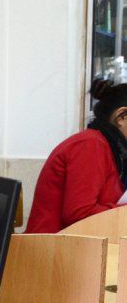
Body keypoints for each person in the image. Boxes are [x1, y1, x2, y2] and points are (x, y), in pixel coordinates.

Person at [26, 81, 127, 233]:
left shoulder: (109, 147)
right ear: (121, 117)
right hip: (50, 250)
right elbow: (79, 214)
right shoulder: (91, 145)